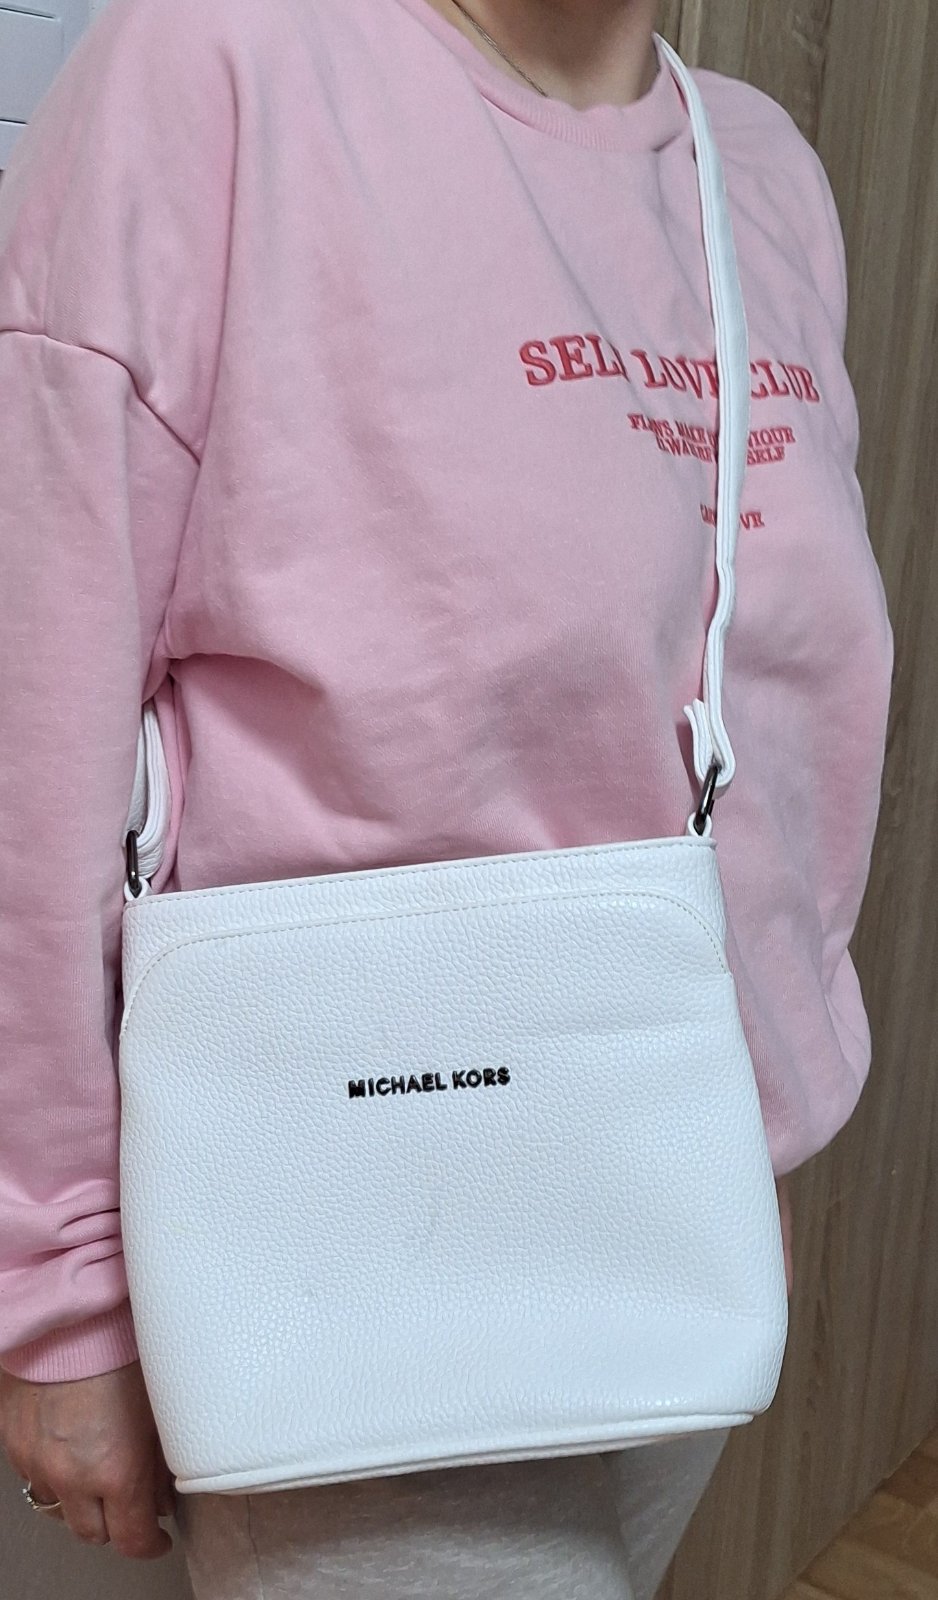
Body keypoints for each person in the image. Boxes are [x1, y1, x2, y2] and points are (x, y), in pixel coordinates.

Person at [0, 0, 893, 1595]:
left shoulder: (755, 167)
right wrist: (55, 1286)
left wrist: (766, 1091)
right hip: (347, 1214)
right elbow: (34, 723)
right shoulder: (220, 68)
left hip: (669, 1190)